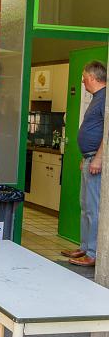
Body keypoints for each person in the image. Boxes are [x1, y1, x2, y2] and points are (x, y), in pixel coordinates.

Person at [62, 61, 107, 267]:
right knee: (85, 206)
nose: (82, 80)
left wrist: (97, 158)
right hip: (89, 159)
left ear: (92, 77)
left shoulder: (105, 98)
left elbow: (107, 134)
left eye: (83, 77)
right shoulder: (96, 98)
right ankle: (84, 246)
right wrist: (86, 156)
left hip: (96, 162)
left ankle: (93, 253)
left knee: (93, 207)